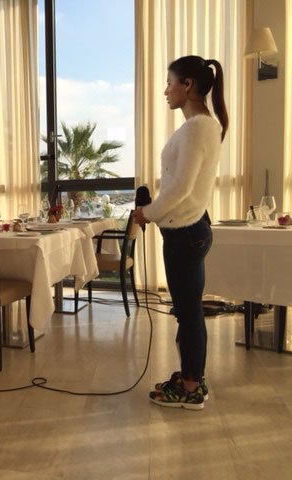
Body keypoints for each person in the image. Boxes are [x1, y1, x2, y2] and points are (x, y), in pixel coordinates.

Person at [132, 55, 228, 410]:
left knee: (188, 314)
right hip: (190, 230)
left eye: (169, 83)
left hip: (185, 234)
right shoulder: (203, 126)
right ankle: (191, 376)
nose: (165, 91)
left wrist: (147, 213)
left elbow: (181, 188)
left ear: (187, 85)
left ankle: (190, 389)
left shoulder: (197, 127)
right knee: (189, 312)